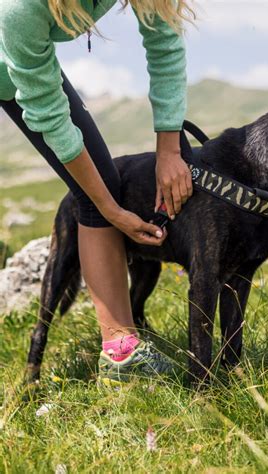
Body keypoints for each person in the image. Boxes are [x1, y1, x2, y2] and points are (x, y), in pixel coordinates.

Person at [0, 0, 194, 383]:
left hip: (20, 53)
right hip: (7, 62)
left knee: (100, 183)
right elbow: (50, 117)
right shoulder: (19, 8)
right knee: (97, 188)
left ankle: (122, 351)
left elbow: (164, 43)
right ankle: (121, 351)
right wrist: (111, 210)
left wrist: (169, 150)